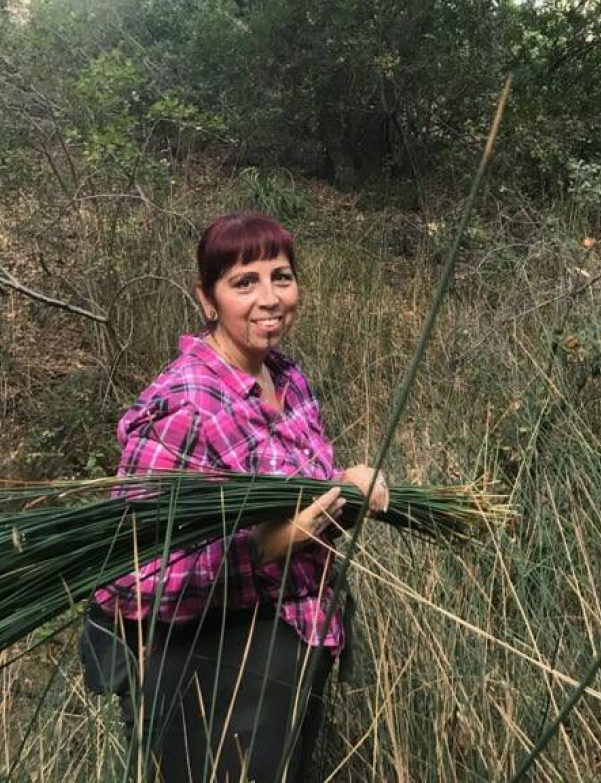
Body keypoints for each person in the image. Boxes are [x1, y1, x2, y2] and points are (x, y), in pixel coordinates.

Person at [80, 211, 388, 783]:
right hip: (210, 673)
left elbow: (299, 494)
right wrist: (280, 540)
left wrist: (347, 486)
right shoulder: (185, 405)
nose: (270, 298)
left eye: (282, 276)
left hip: (289, 652)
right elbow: (135, 568)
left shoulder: (285, 378)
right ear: (207, 299)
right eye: (245, 282)